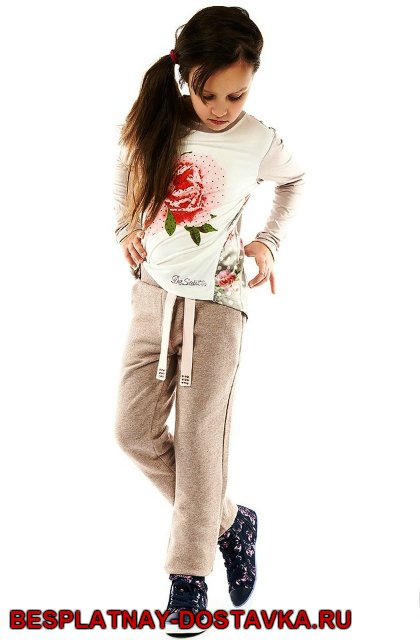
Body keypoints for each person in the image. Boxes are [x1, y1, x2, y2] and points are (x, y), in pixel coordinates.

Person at [112, 5, 305, 636]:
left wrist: (268, 242)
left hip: (218, 307)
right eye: (208, 94)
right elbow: (126, 165)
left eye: (236, 95)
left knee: (199, 444)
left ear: (252, 81)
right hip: (153, 297)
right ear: (185, 78)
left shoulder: (259, 140)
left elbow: (295, 181)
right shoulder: (158, 120)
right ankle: (230, 520)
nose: (221, 108)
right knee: (133, 432)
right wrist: (125, 225)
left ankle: (187, 581)